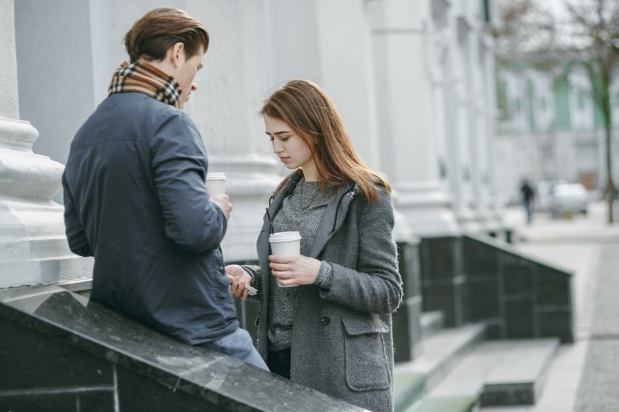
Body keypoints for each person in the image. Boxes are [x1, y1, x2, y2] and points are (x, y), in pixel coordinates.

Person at [62, 8, 267, 370]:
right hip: (192, 323)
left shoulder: (85, 134)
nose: (196, 80)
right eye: (197, 66)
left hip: (123, 325)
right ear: (176, 53)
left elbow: (81, 240)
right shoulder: (170, 124)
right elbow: (194, 230)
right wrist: (217, 209)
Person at [226, 79, 403, 411]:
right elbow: (291, 273)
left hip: (339, 369)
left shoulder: (366, 194)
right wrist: (253, 276)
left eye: (285, 137)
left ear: (315, 130)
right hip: (279, 359)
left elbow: (387, 291)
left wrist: (322, 273)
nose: (277, 148)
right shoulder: (285, 194)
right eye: (271, 138)